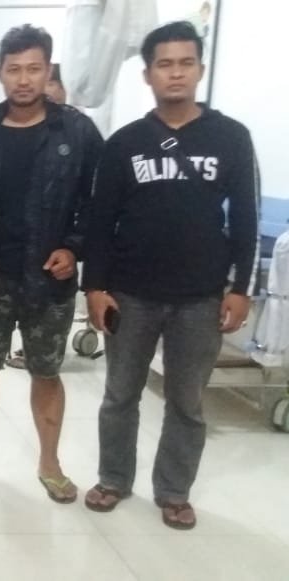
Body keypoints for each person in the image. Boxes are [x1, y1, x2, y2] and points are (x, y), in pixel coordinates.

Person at [82, 21, 258, 530]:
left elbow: (245, 218)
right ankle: (114, 478)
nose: (175, 73)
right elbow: (100, 222)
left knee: (187, 402)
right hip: (130, 293)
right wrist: (95, 287)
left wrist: (240, 289)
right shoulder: (125, 143)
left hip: (200, 297)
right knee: (120, 395)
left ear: (200, 69)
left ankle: (174, 491)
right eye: (165, 64)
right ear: (148, 74)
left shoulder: (231, 137)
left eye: (185, 63)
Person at [0, 25, 103, 502]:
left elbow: (98, 203)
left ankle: (50, 462)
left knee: (47, 373)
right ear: (0, 73)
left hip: (49, 280)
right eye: (14, 69)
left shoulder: (77, 132)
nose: (24, 79)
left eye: (34, 69)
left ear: (48, 70)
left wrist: (73, 248)